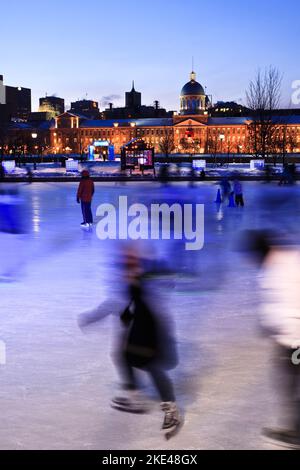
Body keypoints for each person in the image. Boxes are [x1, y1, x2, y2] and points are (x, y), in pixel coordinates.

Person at [244, 231, 300, 449]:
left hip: (294, 342)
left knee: (290, 382)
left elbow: (284, 309)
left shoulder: (276, 272)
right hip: (291, 338)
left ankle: (297, 433)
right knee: (289, 381)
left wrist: (268, 324)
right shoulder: (292, 257)